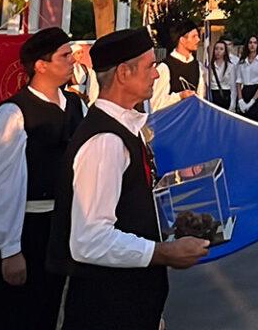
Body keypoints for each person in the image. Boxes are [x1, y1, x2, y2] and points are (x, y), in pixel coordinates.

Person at [49, 27, 209, 330]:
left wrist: (173, 229)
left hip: (131, 301)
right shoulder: (105, 140)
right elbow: (89, 240)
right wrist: (164, 252)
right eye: (150, 66)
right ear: (123, 73)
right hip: (107, 307)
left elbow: (129, 209)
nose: (158, 75)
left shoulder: (126, 128)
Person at [0, 27, 86, 330]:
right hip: (27, 231)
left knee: (52, 313)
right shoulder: (13, 114)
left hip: (61, 229)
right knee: (19, 317)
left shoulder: (77, 106)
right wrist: (10, 249)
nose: (72, 60)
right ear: (41, 65)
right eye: (64, 56)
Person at [148, 20, 201, 113]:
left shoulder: (199, 67)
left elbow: (202, 100)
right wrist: (179, 96)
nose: (198, 40)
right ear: (182, 40)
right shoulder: (165, 67)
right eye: (194, 37)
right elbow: (156, 104)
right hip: (171, 123)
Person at [235, 37, 258, 120]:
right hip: (245, 91)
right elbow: (238, 82)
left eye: (255, 43)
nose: (252, 45)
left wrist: (252, 101)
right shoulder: (242, 62)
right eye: (250, 42)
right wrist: (240, 99)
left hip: (256, 92)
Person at [203, 39, 236, 111]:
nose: (218, 51)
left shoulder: (230, 66)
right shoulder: (210, 66)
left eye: (221, 49)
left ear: (225, 51)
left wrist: (232, 105)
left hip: (225, 95)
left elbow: (233, 87)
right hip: (213, 94)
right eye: (216, 49)